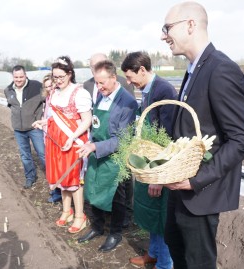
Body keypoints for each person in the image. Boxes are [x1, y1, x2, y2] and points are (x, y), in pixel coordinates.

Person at [160, 2, 244, 268]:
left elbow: (243, 139)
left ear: (190, 25)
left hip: (200, 193)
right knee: (175, 245)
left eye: (167, 28)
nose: (163, 35)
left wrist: (196, 180)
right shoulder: (195, 68)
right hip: (179, 187)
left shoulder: (221, 69)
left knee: (198, 262)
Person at [121, 52, 177, 269]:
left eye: (130, 76)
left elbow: (169, 138)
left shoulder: (164, 91)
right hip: (149, 163)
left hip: (160, 168)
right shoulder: (147, 90)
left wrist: (159, 176)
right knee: (152, 214)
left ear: (142, 70)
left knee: (162, 219)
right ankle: (152, 253)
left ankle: (164, 264)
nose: (128, 82)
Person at [76, 60, 138, 252]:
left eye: (102, 82)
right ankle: (97, 227)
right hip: (97, 153)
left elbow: (122, 139)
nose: (99, 87)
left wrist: (96, 146)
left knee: (116, 197)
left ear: (113, 77)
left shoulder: (127, 103)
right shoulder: (103, 95)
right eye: (96, 83)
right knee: (94, 191)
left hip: (115, 158)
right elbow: (96, 123)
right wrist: (90, 143)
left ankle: (115, 233)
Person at [33, 56, 92, 234]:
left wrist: (72, 138)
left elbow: (86, 120)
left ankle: (80, 216)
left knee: (74, 179)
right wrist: (43, 123)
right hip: (55, 142)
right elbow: (54, 118)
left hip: (73, 142)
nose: (58, 81)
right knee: (62, 178)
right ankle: (67, 211)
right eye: (55, 77)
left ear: (70, 74)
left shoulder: (80, 93)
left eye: (61, 77)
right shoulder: (54, 93)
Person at [4, 65, 45, 189]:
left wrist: (39, 118)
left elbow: (46, 101)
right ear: (13, 77)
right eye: (16, 77)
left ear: (25, 75)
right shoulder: (8, 90)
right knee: (25, 155)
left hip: (34, 127)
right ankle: (30, 177)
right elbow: (11, 106)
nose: (19, 79)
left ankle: (52, 176)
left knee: (42, 153)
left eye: (21, 76)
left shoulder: (36, 86)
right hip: (18, 129)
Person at [40, 74, 62, 203]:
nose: (49, 88)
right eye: (47, 86)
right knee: (52, 164)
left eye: (51, 85)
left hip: (56, 136)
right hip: (48, 135)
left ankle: (59, 191)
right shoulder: (48, 98)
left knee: (58, 164)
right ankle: (56, 189)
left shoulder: (58, 98)